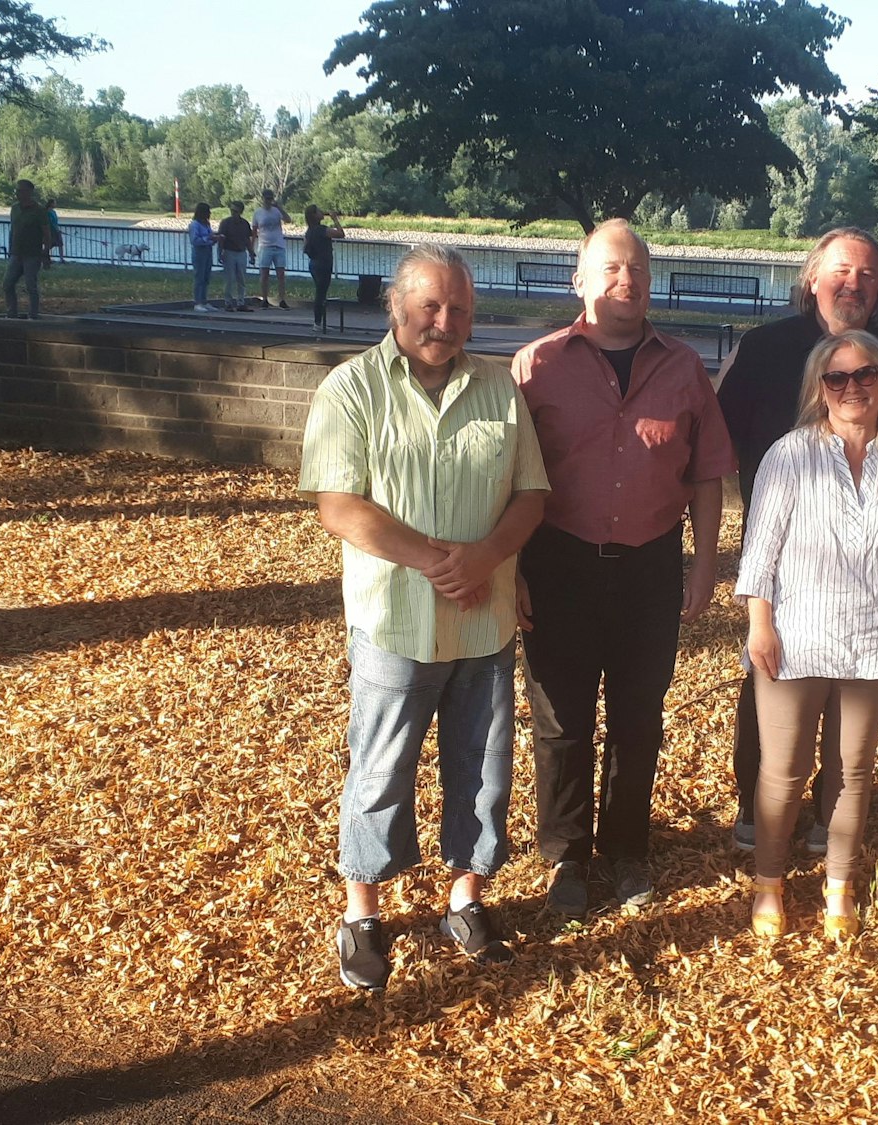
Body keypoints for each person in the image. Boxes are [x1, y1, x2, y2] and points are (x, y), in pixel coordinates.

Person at [300, 244, 550, 988]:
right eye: (431, 307)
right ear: (396, 305)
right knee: (381, 768)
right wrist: (435, 559)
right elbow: (338, 506)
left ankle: (466, 896)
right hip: (396, 620)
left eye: (460, 310)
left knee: (483, 769)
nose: (446, 322)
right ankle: (362, 913)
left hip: (484, 620)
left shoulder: (500, 390)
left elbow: (531, 495)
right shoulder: (351, 389)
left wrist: (485, 558)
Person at [512, 219, 737, 919]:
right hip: (559, 560)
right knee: (561, 717)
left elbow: (706, 475)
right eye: (610, 268)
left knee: (639, 715)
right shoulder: (536, 366)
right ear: (578, 280)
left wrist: (703, 566)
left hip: (649, 565)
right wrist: (510, 569)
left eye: (637, 268)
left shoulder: (683, 367)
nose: (626, 280)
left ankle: (628, 848)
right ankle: (568, 856)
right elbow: (506, 479)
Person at [715, 227, 878, 855]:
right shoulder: (764, 348)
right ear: (812, 277)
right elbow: (719, 435)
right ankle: (757, 810)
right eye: (841, 271)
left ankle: (828, 820)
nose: (853, 284)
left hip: (871, 568)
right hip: (789, 562)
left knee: (852, 712)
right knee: (770, 684)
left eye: (868, 274)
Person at [737, 330, 878, 939]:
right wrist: (760, 625)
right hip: (796, 638)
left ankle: (838, 885)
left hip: (873, 641)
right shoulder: (790, 453)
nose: (853, 387)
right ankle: (770, 884)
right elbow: (760, 553)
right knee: (783, 771)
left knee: (851, 770)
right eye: (838, 378)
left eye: (866, 376)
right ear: (819, 388)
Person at [2, 179, 48, 319]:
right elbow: (13, 229)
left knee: (30, 286)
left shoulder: (39, 210)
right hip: (16, 253)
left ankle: (33, 314)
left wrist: (45, 253)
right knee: (7, 283)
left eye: (21, 190)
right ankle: (11, 312)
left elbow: (46, 233)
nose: (18, 193)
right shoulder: (15, 208)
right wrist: (11, 249)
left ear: (29, 192)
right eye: (17, 190)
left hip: (32, 254)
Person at [303, 205, 346, 333]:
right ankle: (317, 322)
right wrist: (335, 219)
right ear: (314, 215)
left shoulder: (309, 231)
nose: (322, 212)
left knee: (320, 292)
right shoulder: (322, 230)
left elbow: (305, 247)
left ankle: (319, 322)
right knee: (321, 293)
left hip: (314, 263)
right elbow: (341, 234)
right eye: (319, 211)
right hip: (323, 264)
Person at [253, 188, 291, 309]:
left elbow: (288, 219)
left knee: (281, 274)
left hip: (279, 245)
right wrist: (251, 248)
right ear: (263, 199)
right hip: (265, 246)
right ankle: (264, 299)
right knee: (264, 274)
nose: (269, 201)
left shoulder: (276, 211)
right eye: (267, 198)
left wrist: (279, 207)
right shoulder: (257, 213)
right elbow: (254, 231)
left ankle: (282, 299)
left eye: (270, 198)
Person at [218, 201, 254, 311]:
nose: (233, 213)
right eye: (232, 210)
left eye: (235, 211)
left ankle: (241, 302)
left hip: (241, 253)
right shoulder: (225, 223)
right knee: (229, 279)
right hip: (229, 252)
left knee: (241, 279)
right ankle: (228, 302)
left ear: (241, 212)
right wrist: (220, 253)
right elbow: (221, 238)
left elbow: (248, 239)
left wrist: (251, 253)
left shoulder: (245, 224)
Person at [187, 203, 219, 312]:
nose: (209, 213)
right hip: (199, 253)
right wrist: (208, 238)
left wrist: (215, 239)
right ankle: (198, 302)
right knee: (199, 277)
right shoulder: (194, 225)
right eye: (208, 211)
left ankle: (204, 301)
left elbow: (210, 237)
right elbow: (194, 240)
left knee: (206, 277)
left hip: (208, 252)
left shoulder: (206, 224)